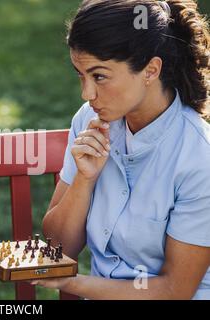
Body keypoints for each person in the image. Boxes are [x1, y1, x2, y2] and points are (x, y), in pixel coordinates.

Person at [35, 0, 210, 299]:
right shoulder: (89, 121)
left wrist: (70, 283)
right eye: (81, 74)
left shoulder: (199, 157)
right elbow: (56, 247)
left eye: (99, 76)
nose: (87, 94)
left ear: (151, 70)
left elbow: (175, 290)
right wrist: (84, 180)